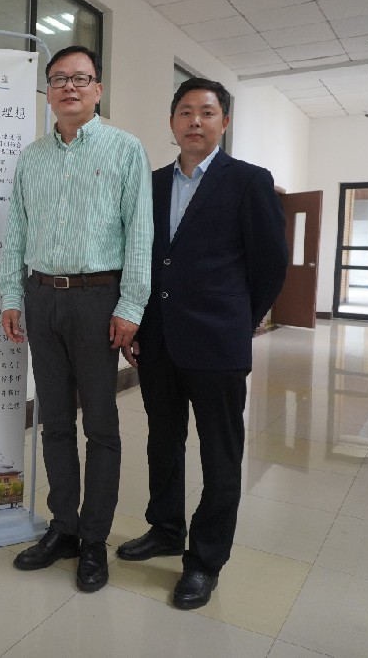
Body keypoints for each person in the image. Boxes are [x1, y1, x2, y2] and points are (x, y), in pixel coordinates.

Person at [116, 77, 288, 610]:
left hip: (218, 343)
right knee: (162, 441)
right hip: (158, 340)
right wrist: (138, 323)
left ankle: (205, 560)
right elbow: (140, 258)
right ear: (171, 122)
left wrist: (240, 321)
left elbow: (270, 264)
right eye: (185, 111)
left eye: (207, 112)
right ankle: (166, 528)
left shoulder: (249, 181)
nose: (195, 121)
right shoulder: (151, 184)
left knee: (220, 453)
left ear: (224, 122)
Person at [0, 45, 152, 592]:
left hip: (96, 298)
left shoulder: (125, 149)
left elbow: (140, 233)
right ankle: (63, 526)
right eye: (59, 78)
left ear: (98, 90)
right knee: (55, 421)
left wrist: (130, 306)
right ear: (48, 91)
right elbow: (16, 229)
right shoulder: (32, 157)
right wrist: (10, 296)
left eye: (80, 79)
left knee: (101, 425)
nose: (69, 87)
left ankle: (93, 539)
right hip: (42, 297)